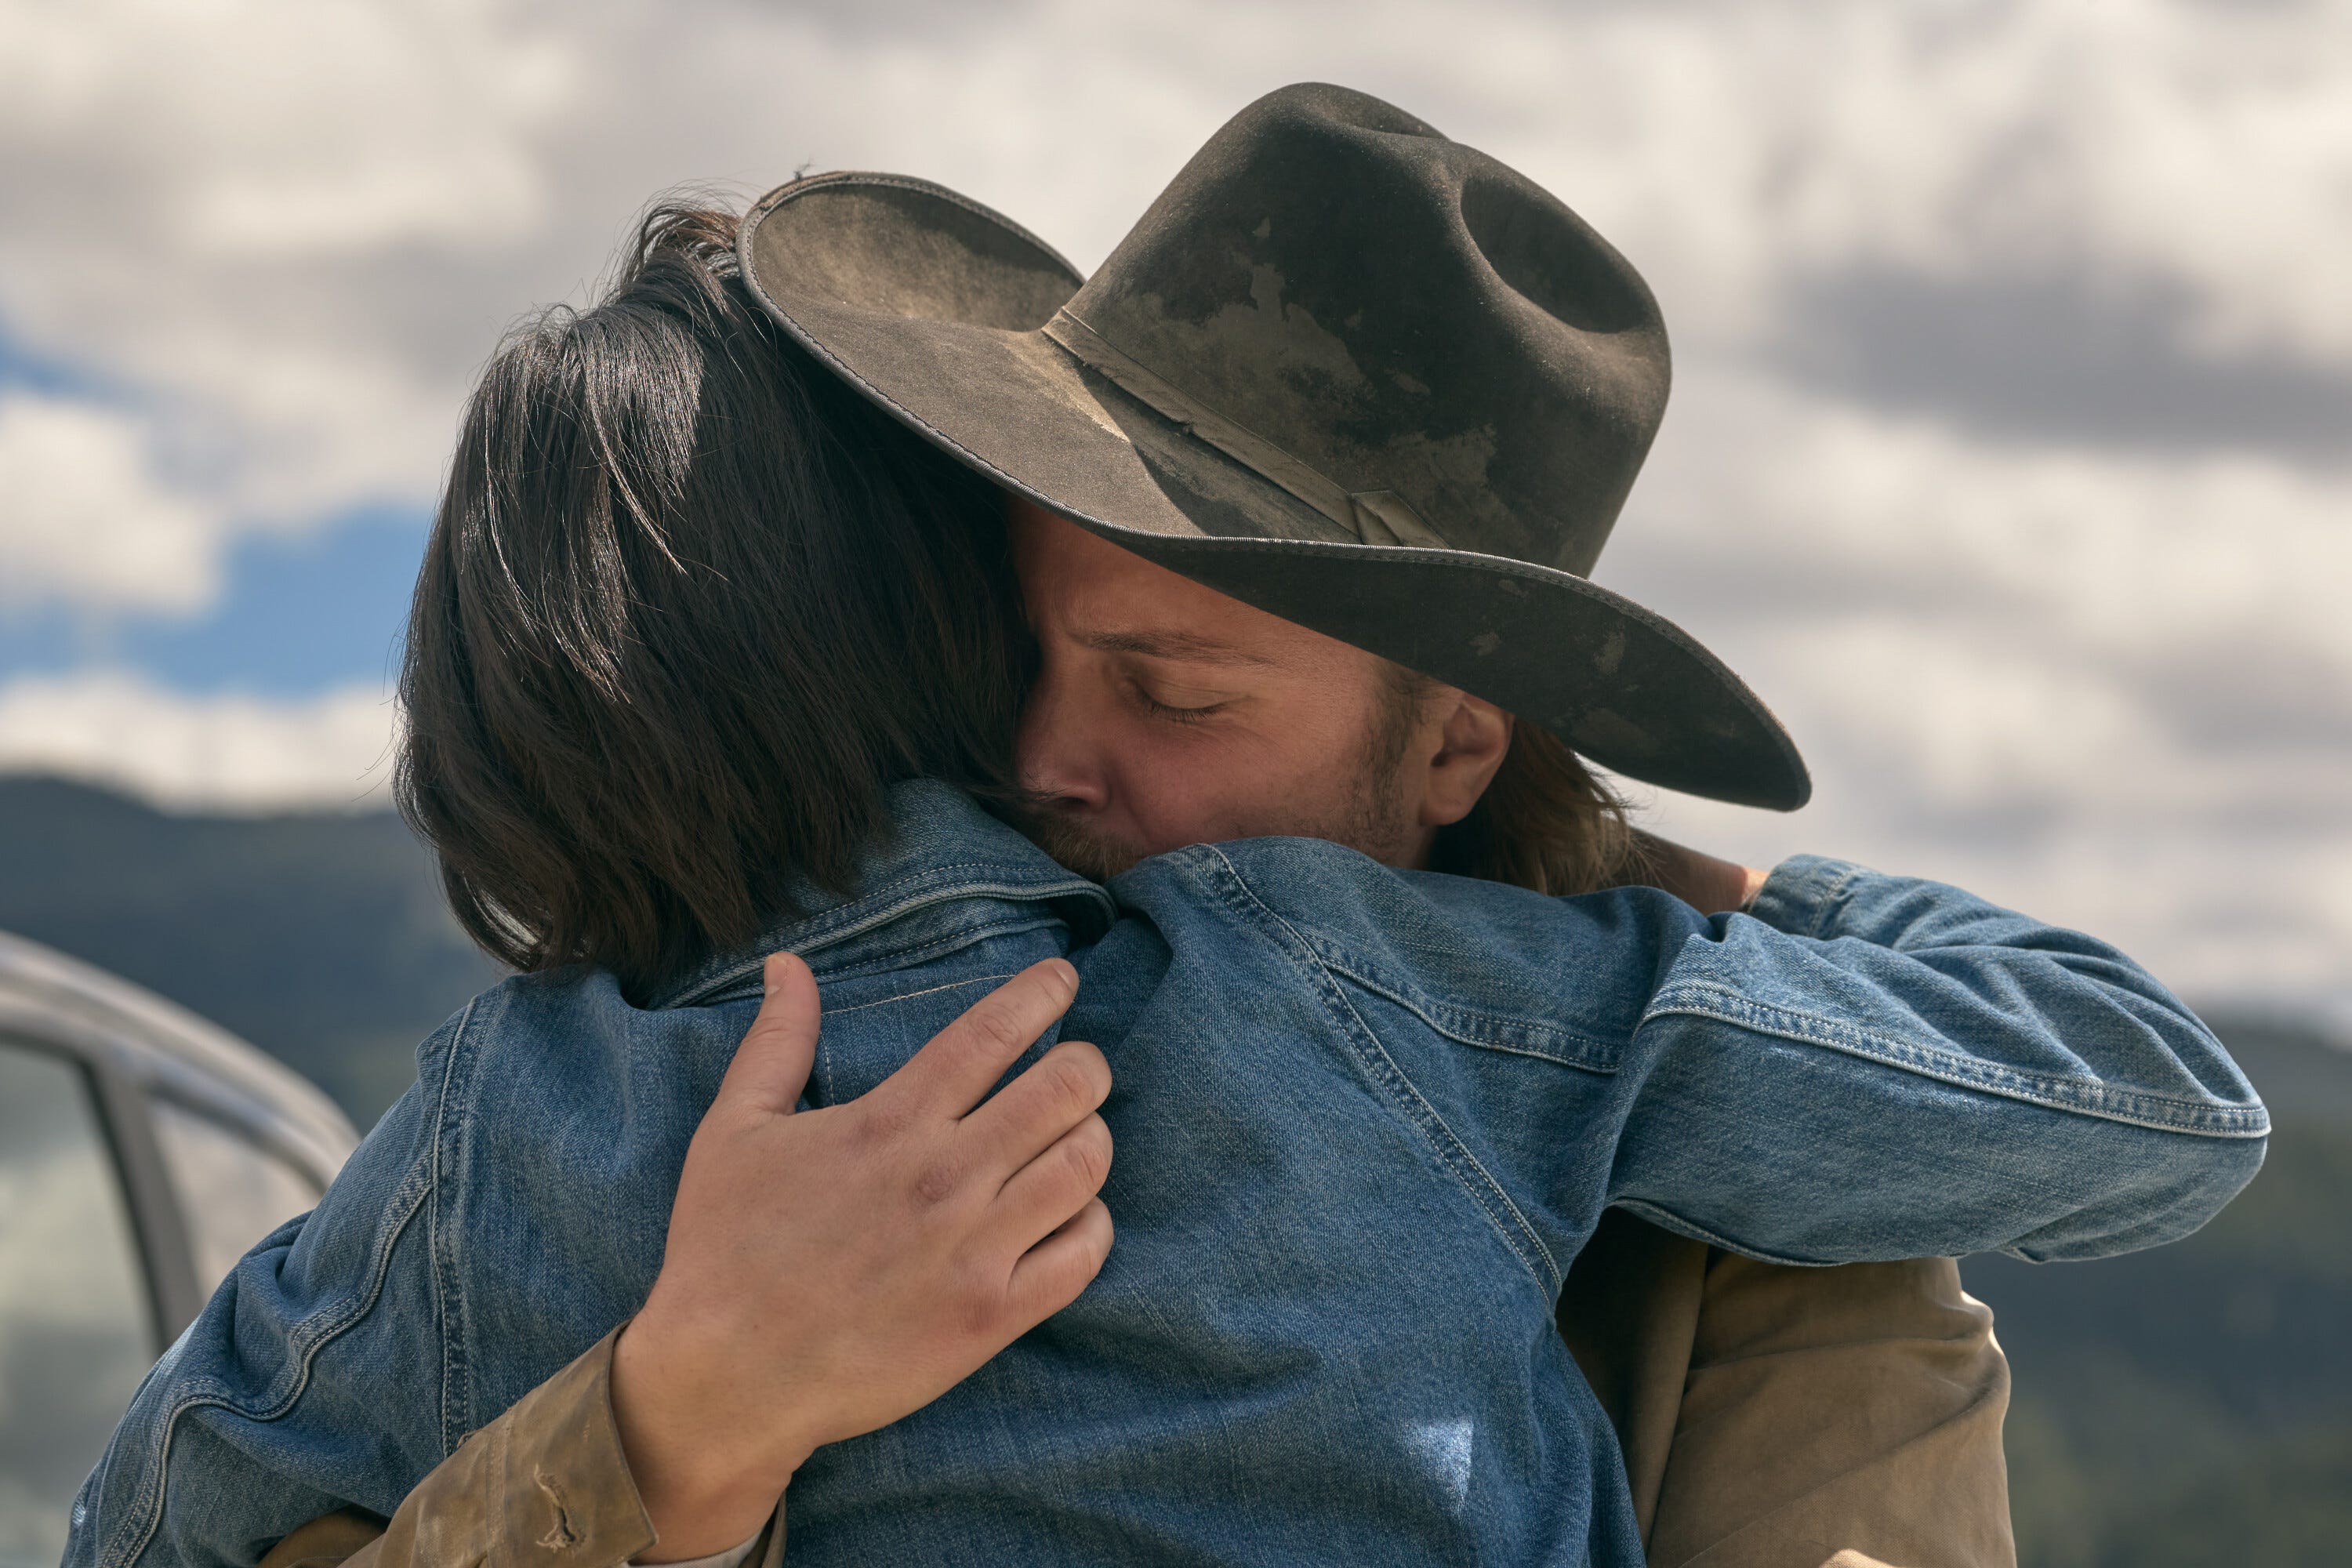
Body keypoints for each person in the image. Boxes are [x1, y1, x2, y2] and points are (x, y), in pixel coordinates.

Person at [67, 85, 2264, 1568]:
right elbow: (2138, 1093)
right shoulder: (1478, 1011)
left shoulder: (552, 1101)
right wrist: (675, 1414)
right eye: (1019, 649)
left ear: (1454, 748)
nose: (1039, 759)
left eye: (1177, 695)